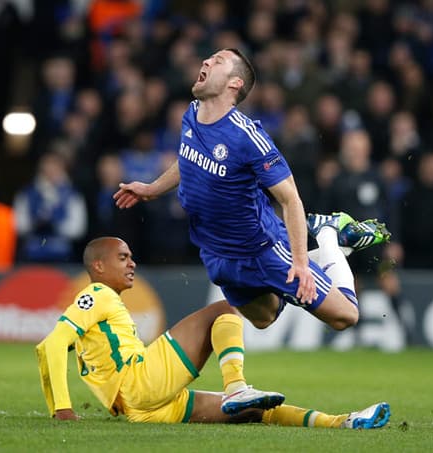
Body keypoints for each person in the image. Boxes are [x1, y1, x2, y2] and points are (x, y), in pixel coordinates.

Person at [113, 48, 390, 332]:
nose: (206, 61)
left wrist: (299, 265)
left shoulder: (247, 137)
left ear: (235, 83)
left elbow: (290, 198)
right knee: (264, 318)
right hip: (216, 252)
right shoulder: (192, 114)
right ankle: (313, 261)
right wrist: (152, 189)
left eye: (217, 61)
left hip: (261, 249)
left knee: (345, 316)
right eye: (209, 58)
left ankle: (329, 233)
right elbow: (188, 159)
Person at [35, 236, 391, 428]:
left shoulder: (100, 304)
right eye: (123, 257)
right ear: (98, 265)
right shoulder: (96, 293)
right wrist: (62, 409)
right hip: (139, 383)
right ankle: (236, 385)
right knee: (225, 309)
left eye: (131, 256)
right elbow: (52, 344)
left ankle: (342, 422)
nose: (133, 263)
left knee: (255, 413)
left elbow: (54, 349)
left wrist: (79, 354)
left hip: (142, 409)